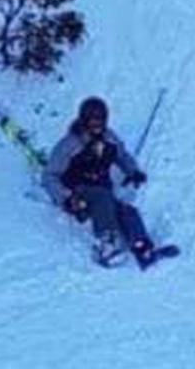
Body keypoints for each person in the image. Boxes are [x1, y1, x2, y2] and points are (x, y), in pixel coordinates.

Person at [42, 96, 156, 267]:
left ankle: (140, 243)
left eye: (100, 120)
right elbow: (50, 175)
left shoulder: (109, 138)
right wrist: (66, 198)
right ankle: (107, 244)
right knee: (102, 197)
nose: (97, 125)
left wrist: (133, 171)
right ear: (84, 119)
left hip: (102, 190)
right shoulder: (70, 144)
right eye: (92, 120)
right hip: (77, 192)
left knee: (125, 210)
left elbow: (121, 155)